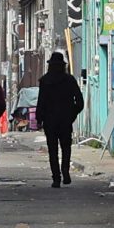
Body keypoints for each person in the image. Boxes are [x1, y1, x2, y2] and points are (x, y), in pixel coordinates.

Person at [35, 52, 84, 188]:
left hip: (50, 121)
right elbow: (80, 101)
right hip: (65, 120)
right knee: (66, 148)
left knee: (53, 150)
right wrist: (72, 114)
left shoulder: (45, 81)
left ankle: (56, 178)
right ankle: (65, 171)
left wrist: (39, 119)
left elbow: (41, 102)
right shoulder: (69, 80)